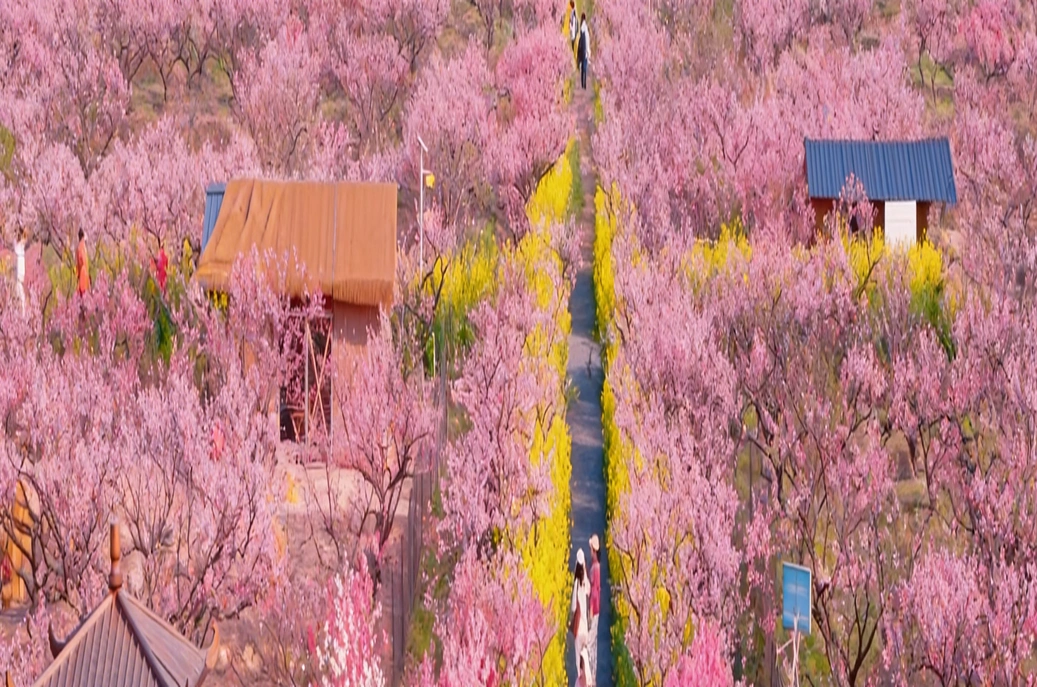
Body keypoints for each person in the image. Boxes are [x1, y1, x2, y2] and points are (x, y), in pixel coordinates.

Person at [571, 548, 591, 684]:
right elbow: (589, 591)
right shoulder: (585, 582)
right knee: (586, 657)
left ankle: (580, 682)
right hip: (586, 627)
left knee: (579, 661)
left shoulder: (576, 583)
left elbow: (573, 607)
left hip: (579, 628)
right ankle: (587, 681)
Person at [588, 534, 601, 681]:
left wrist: (591, 608)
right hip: (595, 608)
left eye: (591, 548)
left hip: (594, 608)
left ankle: (591, 677)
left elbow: (595, 591)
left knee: (591, 643)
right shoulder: (595, 565)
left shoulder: (596, 568)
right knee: (593, 642)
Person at [577, 13, 590, 90]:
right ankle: (584, 83)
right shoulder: (585, 28)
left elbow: (582, 41)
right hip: (585, 50)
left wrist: (581, 50)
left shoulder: (582, 28)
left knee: (583, 67)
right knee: (584, 67)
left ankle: (583, 83)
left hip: (583, 50)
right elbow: (587, 40)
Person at [14, 227, 25, 313]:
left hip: (20, 269)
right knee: (19, 294)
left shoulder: (20, 247)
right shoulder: (18, 247)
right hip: (18, 273)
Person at [76, 228, 90, 295]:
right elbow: (83, 263)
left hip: (83, 275)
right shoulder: (81, 247)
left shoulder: (80, 246)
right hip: (83, 277)